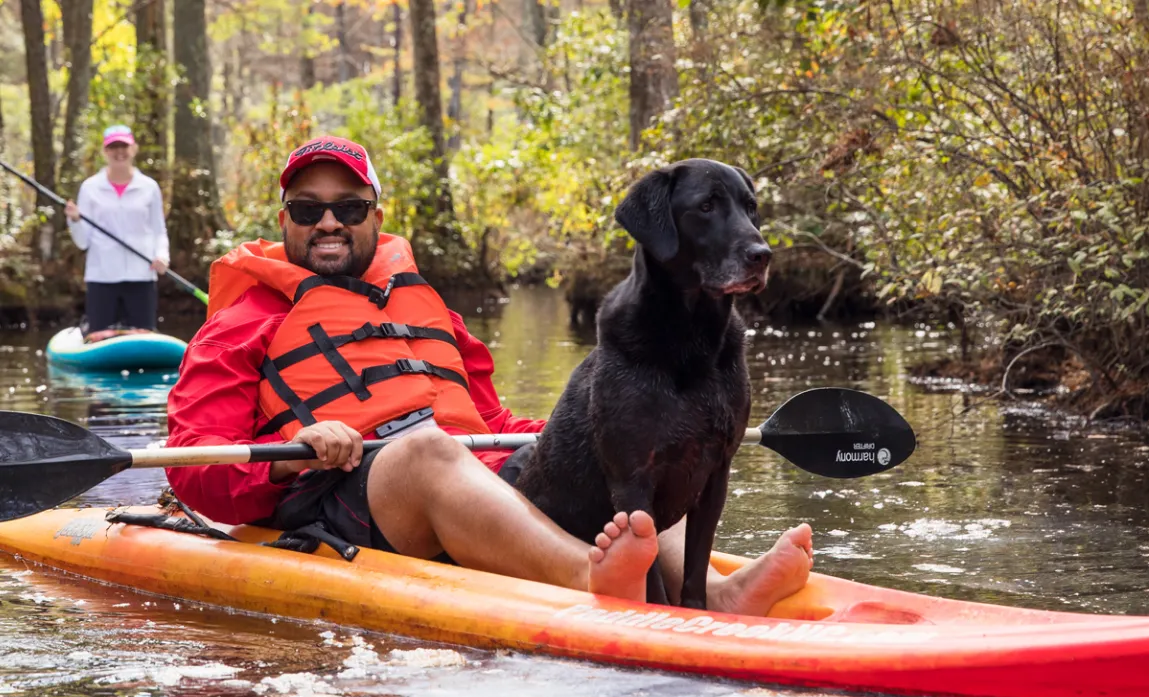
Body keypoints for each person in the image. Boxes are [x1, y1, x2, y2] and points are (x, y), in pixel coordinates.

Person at [163, 136, 813, 613]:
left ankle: (715, 593)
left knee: (617, 444)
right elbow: (195, 468)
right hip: (341, 498)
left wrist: (601, 428)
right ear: (284, 223)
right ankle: (588, 579)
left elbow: (494, 425)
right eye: (308, 210)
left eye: (349, 208)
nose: (329, 222)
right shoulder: (240, 324)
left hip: (461, 478)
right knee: (425, 450)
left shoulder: (426, 307)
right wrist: (289, 460)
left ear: (376, 218)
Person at [66, 124, 169, 342]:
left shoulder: (149, 187)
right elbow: (83, 242)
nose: (119, 152)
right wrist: (74, 220)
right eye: (113, 147)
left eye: (124, 146)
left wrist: (162, 256)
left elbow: (159, 230)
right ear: (105, 152)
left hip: (141, 276)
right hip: (102, 277)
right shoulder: (90, 188)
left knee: (144, 337)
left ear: (134, 149)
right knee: (98, 337)